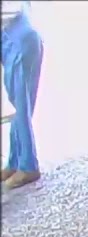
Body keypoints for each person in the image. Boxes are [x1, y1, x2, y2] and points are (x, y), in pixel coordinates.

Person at [1, 0, 40, 191]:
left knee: (21, 105)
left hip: (16, 40)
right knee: (19, 104)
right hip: (22, 36)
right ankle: (15, 162)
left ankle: (28, 166)